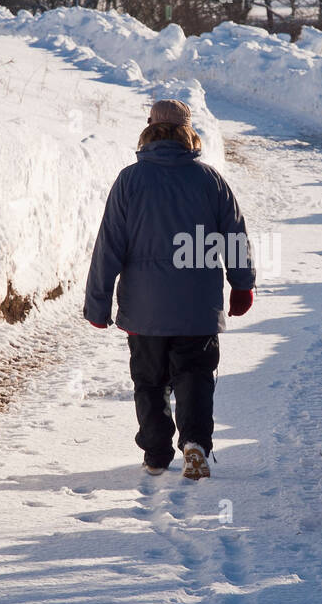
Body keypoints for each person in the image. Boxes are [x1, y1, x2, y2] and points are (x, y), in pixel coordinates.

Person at [84, 100, 255, 479]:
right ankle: (195, 444)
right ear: (188, 134)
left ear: (149, 132)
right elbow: (235, 237)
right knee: (194, 375)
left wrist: (97, 303)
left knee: (149, 381)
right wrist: (242, 285)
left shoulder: (130, 180)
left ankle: (157, 454)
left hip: (144, 310)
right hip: (197, 308)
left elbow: (108, 245)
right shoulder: (210, 180)